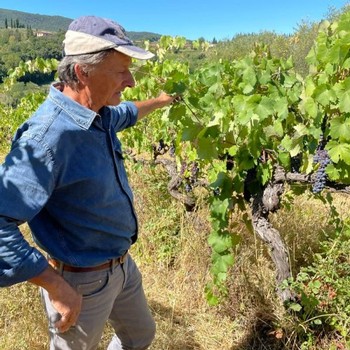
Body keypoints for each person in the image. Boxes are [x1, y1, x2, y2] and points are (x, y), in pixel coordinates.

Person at [0, 15, 176, 350]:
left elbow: (130, 112)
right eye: (121, 71)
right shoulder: (47, 137)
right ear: (83, 73)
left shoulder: (100, 113)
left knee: (140, 336)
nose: (131, 82)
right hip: (80, 279)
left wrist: (161, 101)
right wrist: (55, 285)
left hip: (122, 265)